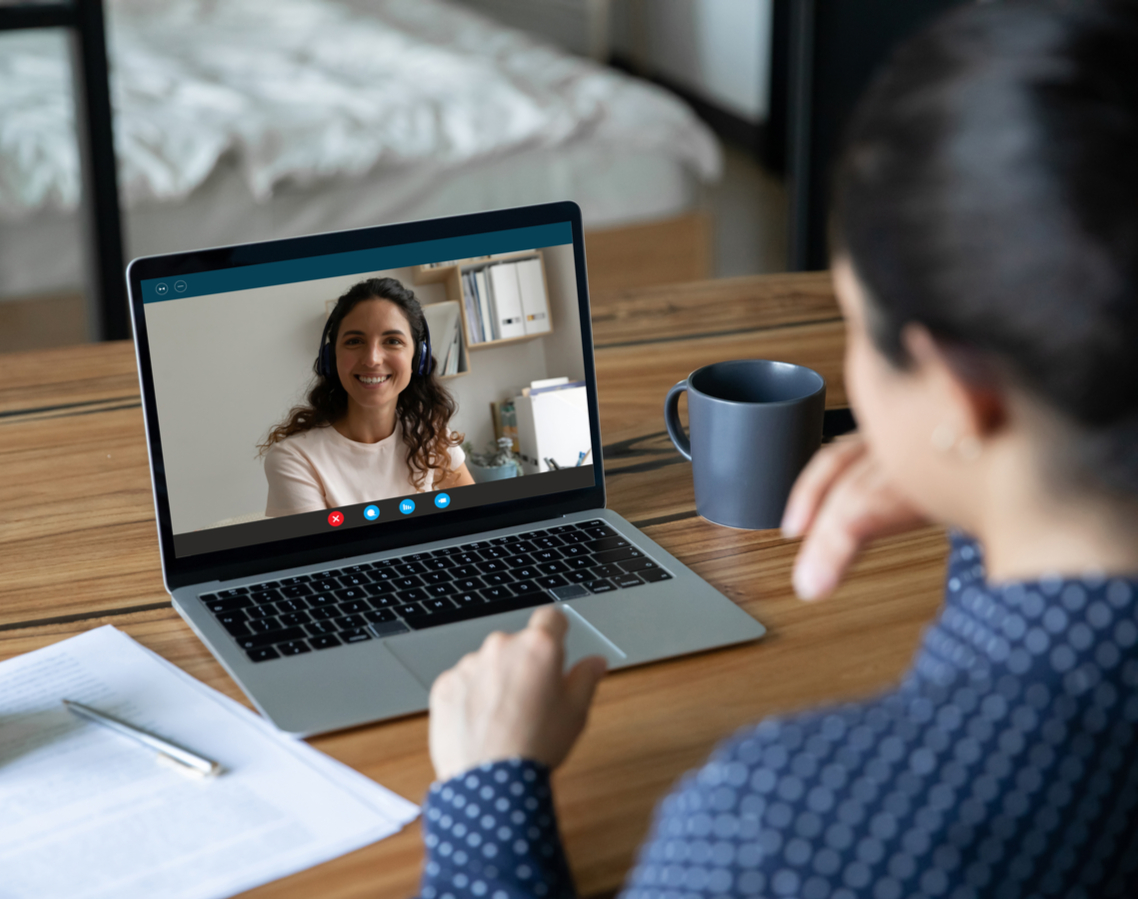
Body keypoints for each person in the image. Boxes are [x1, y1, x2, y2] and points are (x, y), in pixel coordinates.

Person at [418, 1, 1138, 896]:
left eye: (856, 324)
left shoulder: (778, 826)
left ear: (959, 392)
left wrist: (485, 797)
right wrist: (981, 496)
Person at [261, 277, 473, 515]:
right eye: (355, 341)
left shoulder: (431, 433)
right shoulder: (294, 459)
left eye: (392, 341)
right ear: (331, 359)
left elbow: (476, 518)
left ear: (417, 359)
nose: (372, 358)